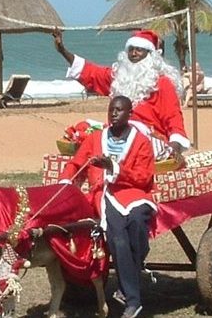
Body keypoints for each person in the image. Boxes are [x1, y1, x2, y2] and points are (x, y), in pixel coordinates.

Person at [59, 96, 156, 318]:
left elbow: (143, 177)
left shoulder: (141, 141)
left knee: (137, 224)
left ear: (129, 114)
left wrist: (114, 167)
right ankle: (133, 301)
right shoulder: (94, 139)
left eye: (119, 110)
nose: (114, 114)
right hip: (104, 195)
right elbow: (76, 165)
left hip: (135, 194)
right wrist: (66, 183)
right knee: (117, 237)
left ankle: (130, 275)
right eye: (111, 109)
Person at [52, 28, 190, 159]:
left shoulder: (162, 83)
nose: (134, 54)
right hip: (117, 135)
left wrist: (175, 145)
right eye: (131, 49)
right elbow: (91, 72)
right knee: (83, 128)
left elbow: (173, 118)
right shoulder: (119, 77)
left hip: (149, 139)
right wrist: (63, 51)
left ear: (150, 55)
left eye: (139, 50)